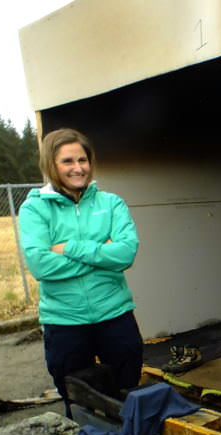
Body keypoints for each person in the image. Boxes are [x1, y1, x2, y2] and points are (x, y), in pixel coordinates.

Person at [19, 128, 143, 417]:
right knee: (77, 401)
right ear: (52, 165)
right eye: (67, 161)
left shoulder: (110, 203)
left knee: (128, 394)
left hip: (115, 314)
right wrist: (102, 252)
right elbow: (40, 264)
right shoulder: (34, 209)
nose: (78, 168)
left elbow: (125, 253)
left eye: (82, 159)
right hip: (65, 321)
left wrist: (69, 247)